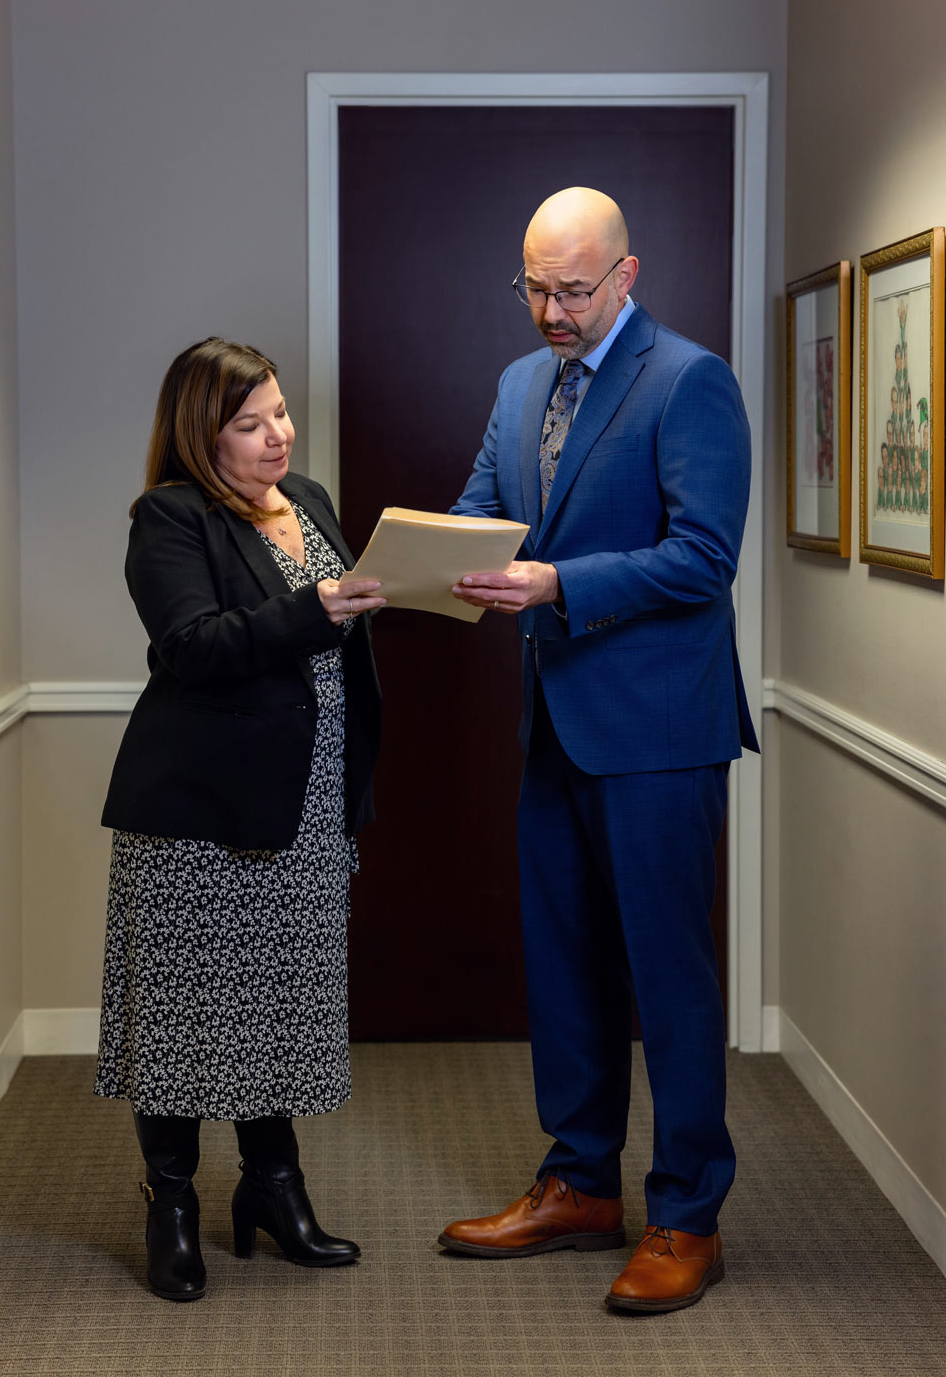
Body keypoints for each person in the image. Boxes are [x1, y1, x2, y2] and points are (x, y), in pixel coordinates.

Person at [438, 187, 758, 1315]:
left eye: (572, 288)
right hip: (554, 723)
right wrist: (424, 561)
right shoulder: (520, 386)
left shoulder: (690, 380)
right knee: (566, 965)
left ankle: (686, 1214)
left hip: (663, 734)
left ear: (627, 275)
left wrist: (559, 583)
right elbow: (485, 513)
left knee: (665, 977)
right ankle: (579, 1183)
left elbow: (702, 560)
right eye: (532, 286)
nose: (550, 310)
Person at [95, 338, 384, 1301]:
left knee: (278, 1006)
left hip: (305, 806)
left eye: (282, 414)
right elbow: (192, 645)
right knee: (184, 1016)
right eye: (251, 424)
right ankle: (169, 1206)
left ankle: (272, 1191)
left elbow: (339, 627)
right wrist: (324, 607)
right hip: (197, 819)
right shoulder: (168, 518)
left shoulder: (310, 503)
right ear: (201, 433)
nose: (278, 437)